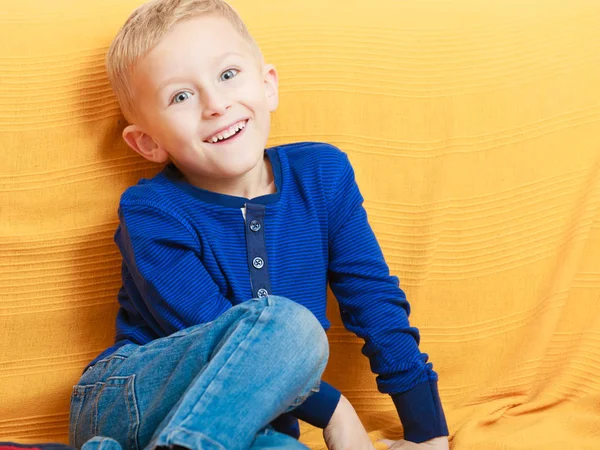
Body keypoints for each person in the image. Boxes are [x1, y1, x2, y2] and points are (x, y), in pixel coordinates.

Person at [69, 1, 450, 449]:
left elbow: (372, 298)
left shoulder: (323, 175)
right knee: (289, 324)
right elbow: (227, 331)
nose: (215, 104)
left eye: (227, 75)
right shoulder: (151, 211)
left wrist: (427, 430)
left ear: (267, 86)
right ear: (148, 141)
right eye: (181, 96)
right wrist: (335, 410)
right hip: (127, 395)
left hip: (246, 423)